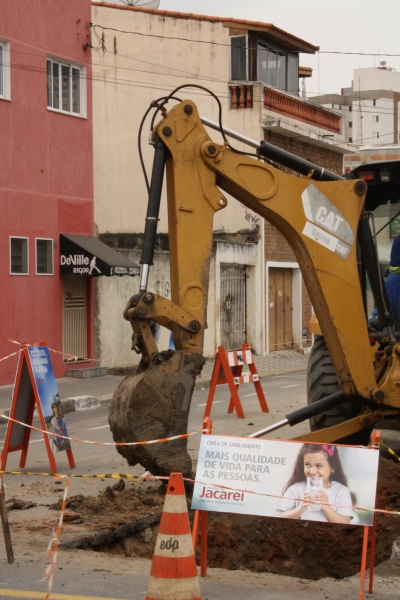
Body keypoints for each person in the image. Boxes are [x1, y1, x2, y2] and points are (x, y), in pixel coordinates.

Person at [277, 443, 354, 524]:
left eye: (319, 466)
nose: (312, 471)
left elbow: (346, 522)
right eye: (307, 465)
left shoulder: (341, 491)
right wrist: (300, 509)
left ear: (332, 467)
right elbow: (280, 517)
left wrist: (326, 507)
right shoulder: (295, 489)